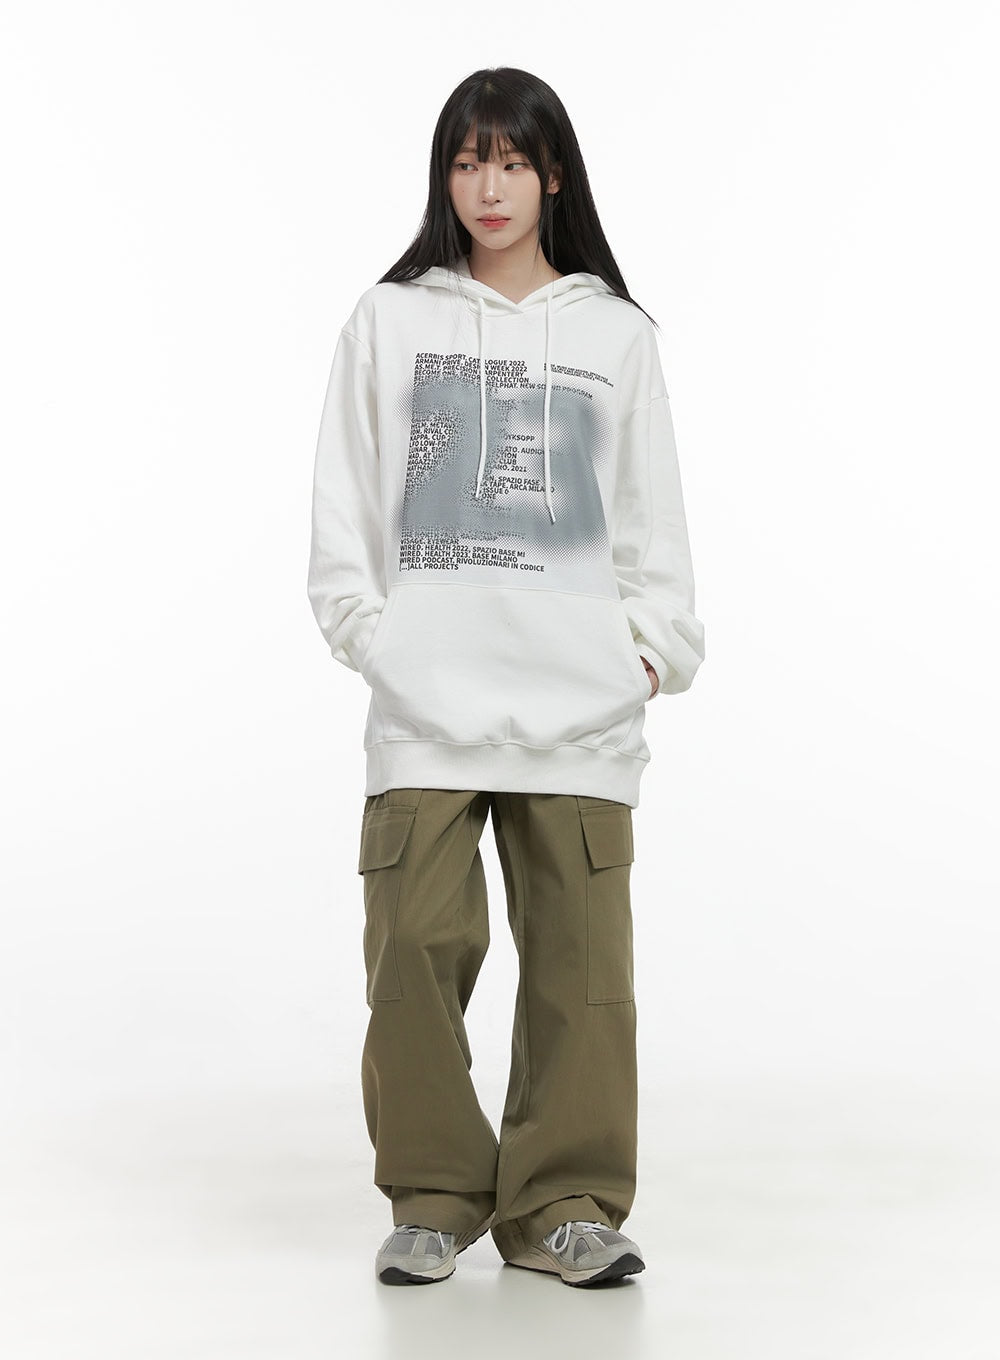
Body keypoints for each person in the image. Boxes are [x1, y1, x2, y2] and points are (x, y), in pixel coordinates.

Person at [307, 66, 705, 1288]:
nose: (489, 187)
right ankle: (432, 1196)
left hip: (580, 712)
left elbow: (651, 518)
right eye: (468, 161)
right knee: (412, 954)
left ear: (553, 178)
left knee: (583, 977)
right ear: (445, 176)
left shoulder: (613, 335)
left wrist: (646, 654)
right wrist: (378, 639)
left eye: (513, 162)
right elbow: (344, 508)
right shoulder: (389, 321)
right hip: (426, 708)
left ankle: (564, 1207)